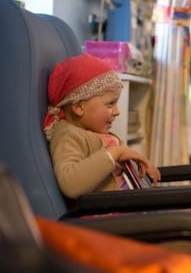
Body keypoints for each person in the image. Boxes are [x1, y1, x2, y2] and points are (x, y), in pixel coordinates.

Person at [43, 53, 161, 201]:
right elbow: (70, 185)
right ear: (79, 107)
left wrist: (141, 164)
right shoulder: (68, 135)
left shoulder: (96, 132)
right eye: (110, 104)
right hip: (109, 218)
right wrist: (115, 153)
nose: (117, 112)